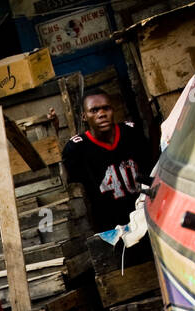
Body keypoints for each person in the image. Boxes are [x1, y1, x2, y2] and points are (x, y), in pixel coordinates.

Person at [61, 91, 155, 264]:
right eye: (94, 110)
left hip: (145, 215)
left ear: (113, 110)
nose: (101, 114)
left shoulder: (131, 133)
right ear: (84, 116)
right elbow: (75, 195)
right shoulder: (77, 149)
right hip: (110, 229)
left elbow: (152, 169)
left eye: (106, 108)